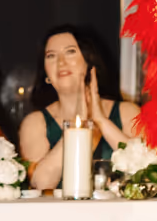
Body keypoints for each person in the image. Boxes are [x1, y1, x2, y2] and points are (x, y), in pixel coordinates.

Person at [19, 26, 139, 190]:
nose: (61, 62)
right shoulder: (35, 123)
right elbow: (41, 184)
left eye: (70, 52)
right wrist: (78, 126)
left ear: (90, 61)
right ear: (46, 73)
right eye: (51, 56)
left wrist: (102, 122)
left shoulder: (127, 113)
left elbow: (145, 172)